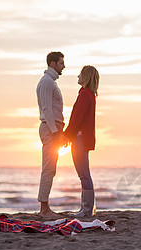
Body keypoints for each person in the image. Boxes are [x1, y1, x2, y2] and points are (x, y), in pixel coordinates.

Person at [63, 65, 100, 217]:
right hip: (81, 138)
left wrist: (66, 135)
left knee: (83, 173)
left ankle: (86, 209)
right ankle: (86, 209)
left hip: (80, 138)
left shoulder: (85, 94)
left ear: (86, 77)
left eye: (80, 74)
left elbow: (77, 119)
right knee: (84, 173)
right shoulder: (89, 94)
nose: (77, 77)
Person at [36, 51, 65, 218]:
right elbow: (47, 109)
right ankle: (44, 209)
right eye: (61, 63)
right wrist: (55, 132)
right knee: (48, 168)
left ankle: (45, 207)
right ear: (52, 64)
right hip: (49, 129)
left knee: (50, 169)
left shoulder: (50, 82)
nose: (64, 66)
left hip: (52, 128)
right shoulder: (47, 82)